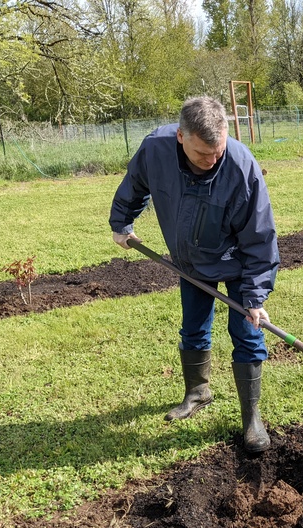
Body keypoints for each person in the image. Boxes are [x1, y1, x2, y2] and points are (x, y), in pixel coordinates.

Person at [109, 96, 279, 453]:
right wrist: (121, 223)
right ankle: (198, 392)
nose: (212, 159)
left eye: (218, 150)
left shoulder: (241, 167)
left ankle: (252, 418)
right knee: (193, 328)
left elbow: (260, 238)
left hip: (237, 261)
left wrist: (255, 297)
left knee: (247, 332)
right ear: (181, 138)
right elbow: (135, 184)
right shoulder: (155, 149)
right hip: (190, 261)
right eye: (204, 153)